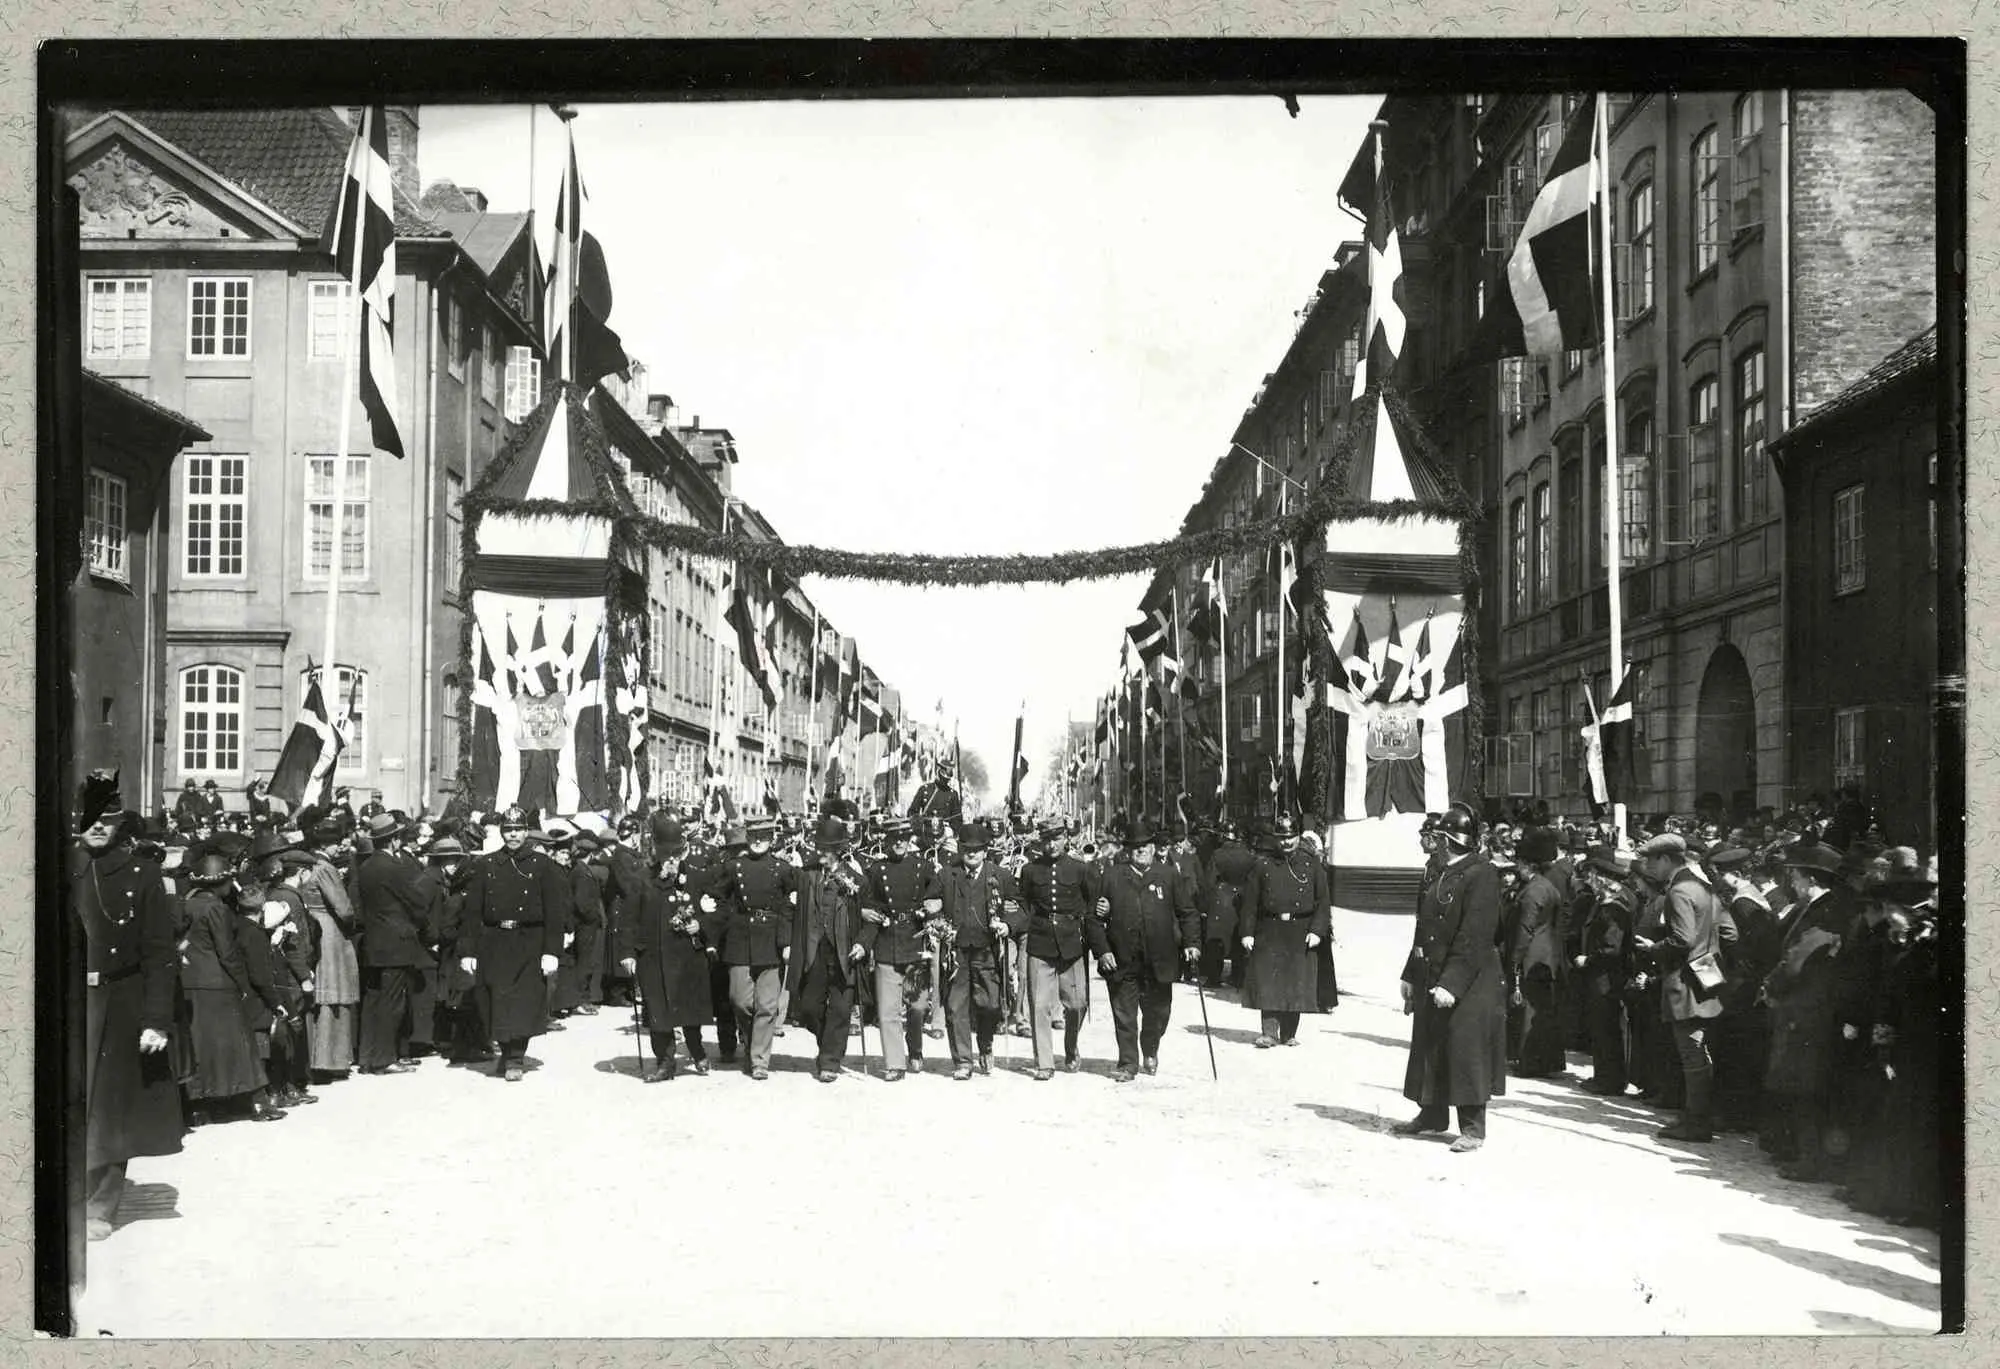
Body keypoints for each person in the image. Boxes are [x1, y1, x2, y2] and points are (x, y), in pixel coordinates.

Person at [69, 772, 183, 1241]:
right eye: (89, 818)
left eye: (107, 818)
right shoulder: (56, 867)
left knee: (111, 1108)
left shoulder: (143, 875)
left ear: (119, 823)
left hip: (119, 1003)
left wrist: (156, 1020)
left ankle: (99, 1205)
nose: (98, 825)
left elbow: (159, 953)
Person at [1393, 807, 1506, 1152]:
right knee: (1431, 1047)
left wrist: (1451, 984)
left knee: (1465, 1051)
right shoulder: (1439, 871)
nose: (1434, 844)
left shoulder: (1481, 874)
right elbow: (1424, 929)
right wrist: (1411, 974)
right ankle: (1431, 1115)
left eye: (1439, 838)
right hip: (1432, 973)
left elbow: (1474, 935)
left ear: (1448, 840)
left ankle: (1473, 1128)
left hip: (1469, 981)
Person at [1759, 840, 1851, 1180]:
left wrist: (1772, 984)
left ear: (1810, 879)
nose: (1793, 884)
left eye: (1795, 877)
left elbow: (1797, 960)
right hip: (1807, 1009)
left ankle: (1810, 1159)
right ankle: (1799, 1151)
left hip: (1807, 1012)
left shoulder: (1823, 913)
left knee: (1805, 1086)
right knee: (1800, 1083)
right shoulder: (1818, 908)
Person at [1086, 817, 1198, 1082]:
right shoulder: (1112, 876)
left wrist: (1192, 943)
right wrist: (1103, 951)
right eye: (1136, 846)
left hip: (1160, 960)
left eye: (1146, 845)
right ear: (1127, 850)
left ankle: (1150, 1047)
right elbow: (1093, 918)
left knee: (1159, 1014)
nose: (1141, 850)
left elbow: (1188, 913)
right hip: (1122, 959)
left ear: (1153, 847)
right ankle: (1128, 1063)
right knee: (1124, 1015)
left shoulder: (1168, 875)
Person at [459, 807, 566, 1082]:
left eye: (518, 830)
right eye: (508, 830)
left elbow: (555, 912)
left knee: (523, 1001)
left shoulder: (543, 865)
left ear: (526, 832)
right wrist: (468, 950)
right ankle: (506, 1052)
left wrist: (551, 951)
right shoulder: (486, 864)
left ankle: (515, 1056)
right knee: (496, 999)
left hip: (530, 941)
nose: (513, 835)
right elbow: (472, 911)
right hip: (494, 941)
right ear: (501, 832)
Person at [176, 838, 277, 1123]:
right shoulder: (216, 908)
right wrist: (243, 985)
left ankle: (200, 1107)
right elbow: (228, 952)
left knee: (201, 1046)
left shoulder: (187, 903)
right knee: (240, 1044)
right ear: (220, 883)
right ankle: (256, 1103)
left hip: (191, 982)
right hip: (219, 984)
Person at [1637, 832, 1727, 1142]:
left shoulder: (1678, 891)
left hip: (1685, 982)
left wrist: (1653, 948)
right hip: (1706, 977)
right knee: (1699, 1053)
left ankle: (1697, 1122)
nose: (1648, 868)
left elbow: (1682, 940)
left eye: (1652, 861)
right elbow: (1727, 932)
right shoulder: (1702, 887)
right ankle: (1695, 1116)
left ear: (1666, 859)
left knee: (1692, 1055)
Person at [615, 815, 717, 1081]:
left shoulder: (696, 877)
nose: (671, 859)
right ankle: (665, 1062)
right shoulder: (641, 880)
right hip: (653, 957)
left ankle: (696, 1049)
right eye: (665, 854)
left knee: (689, 1009)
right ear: (655, 852)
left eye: (675, 854)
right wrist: (627, 953)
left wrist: (701, 925)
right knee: (658, 1011)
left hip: (687, 957)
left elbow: (717, 911)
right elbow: (628, 920)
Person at [710, 816, 799, 1081]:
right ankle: (752, 1045)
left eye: (764, 837)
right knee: (740, 1000)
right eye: (754, 837)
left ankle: (759, 1060)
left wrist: (787, 941)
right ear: (748, 838)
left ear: (772, 839)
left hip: (771, 940)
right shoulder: (733, 867)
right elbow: (718, 898)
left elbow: (791, 906)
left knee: (767, 1005)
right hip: (740, 939)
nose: (759, 841)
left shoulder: (783, 869)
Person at [855, 818, 943, 1080]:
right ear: (886, 840)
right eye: (894, 839)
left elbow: (939, 892)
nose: (899, 843)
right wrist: (863, 911)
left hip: (915, 941)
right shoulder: (876, 870)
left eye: (903, 838)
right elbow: (864, 900)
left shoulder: (923, 867)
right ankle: (895, 1063)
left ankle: (915, 1047)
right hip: (887, 941)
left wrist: (935, 905)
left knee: (918, 1007)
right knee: (888, 1011)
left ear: (910, 839)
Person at [1239, 814, 1334, 1049]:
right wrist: (1247, 932)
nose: (1286, 842)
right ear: (1275, 838)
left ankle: (1289, 1033)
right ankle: (1269, 1033)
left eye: (1291, 837)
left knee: (1295, 981)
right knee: (1269, 982)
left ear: (1298, 837)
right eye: (1282, 838)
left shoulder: (1312, 865)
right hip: (1269, 930)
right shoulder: (1262, 865)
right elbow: (1250, 903)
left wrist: (1317, 931)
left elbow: (1323, 902)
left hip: (1300, 930)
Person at [939, 820, 1024, 1080]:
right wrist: (937, 922)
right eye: (967, 849)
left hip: (988, 950)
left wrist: (1008, 925)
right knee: (956, 1006)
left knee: (989, 1004)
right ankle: (963, 1061)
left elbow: (1020, 909)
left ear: (986, 851)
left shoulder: (1001, 875)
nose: (972, 853)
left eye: (977, 849)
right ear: (960, 850)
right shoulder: (947, 875)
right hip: (956, 951)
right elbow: (931, 904)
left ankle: (985, 1043)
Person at [787, 815, 869, 1083]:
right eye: (818, 847)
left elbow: (871, 919)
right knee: (809, 1008)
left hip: (845, 953)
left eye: (826, 849)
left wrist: (862, 943)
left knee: (841, 1010)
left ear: (838, 851)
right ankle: (829, 1045)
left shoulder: (857, 881)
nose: (820, 852)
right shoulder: (806, 876)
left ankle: (830, 1061)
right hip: (814, 951)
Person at [353, 812, 436, 1076]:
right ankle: (385, 1059)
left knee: (374, 1000)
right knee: (393, 1002)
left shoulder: (365, 866)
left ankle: (368, 1057)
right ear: (393, 840)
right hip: (396, 944)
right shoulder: (394, 867)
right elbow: (417, 901)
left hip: (373, 942)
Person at [1015, 820, 1095, 1079]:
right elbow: (1025, 902)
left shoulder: (1080, 869)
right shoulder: (1030, 870)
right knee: (1039, 1005)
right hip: (1040, 942)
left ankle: (1071, 1047)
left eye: (1057, 839)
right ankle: (1044, 1062)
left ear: (1066, 839)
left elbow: (1090, 903)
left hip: (1071, 942)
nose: (1052, 845)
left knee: (1077, 1004)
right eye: (1047, 840)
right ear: (1040, 842)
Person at [1508, 827, 1569, 1078]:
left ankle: (1530, 1061)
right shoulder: (1547, 886)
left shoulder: (1533, 891)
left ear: (1528, 865)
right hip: (1548, 952)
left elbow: (1525, 928)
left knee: (1530, 1010)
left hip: (1532, 954)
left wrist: (1514, 960)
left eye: (1519, 863)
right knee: (1544, 1009)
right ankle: (1546, 1061)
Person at [1574, 846, 1635, 1096]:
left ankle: (1609, 1080)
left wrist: (1587, 960)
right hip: (1603, 977)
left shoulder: (1614, 907)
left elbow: (1611, 948)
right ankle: (1604, 1076)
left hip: (1606, 978)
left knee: (1605, 1027)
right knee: (1601, 1027)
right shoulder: (1607, 903)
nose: (1588, 879)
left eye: (1591, 874)